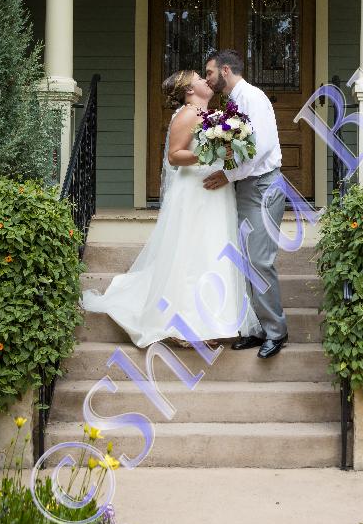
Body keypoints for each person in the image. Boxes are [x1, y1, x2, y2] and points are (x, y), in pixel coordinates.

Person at [80, 69, 261, 349]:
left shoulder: (210, 115)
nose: (205, 80)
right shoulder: (187, 114)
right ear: (189, 90)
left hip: (216, 191)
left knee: (212, 249)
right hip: (195, 191)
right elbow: (174, 156)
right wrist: (208, 154)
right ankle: (182, 324)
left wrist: (229, 151)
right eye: (199, 78)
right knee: (191, 253)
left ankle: (213, 319)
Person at [203, 49, 288, 360]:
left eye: (210, 73)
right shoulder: (233, 102)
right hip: (247, 187)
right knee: (246, 260)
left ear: (225, 70)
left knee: (260, 261)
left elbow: (260, 148)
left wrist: (228, 175)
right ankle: (257, 328)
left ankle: (276, 331)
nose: (207, 79)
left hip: (263, 187)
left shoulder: (252, 97)